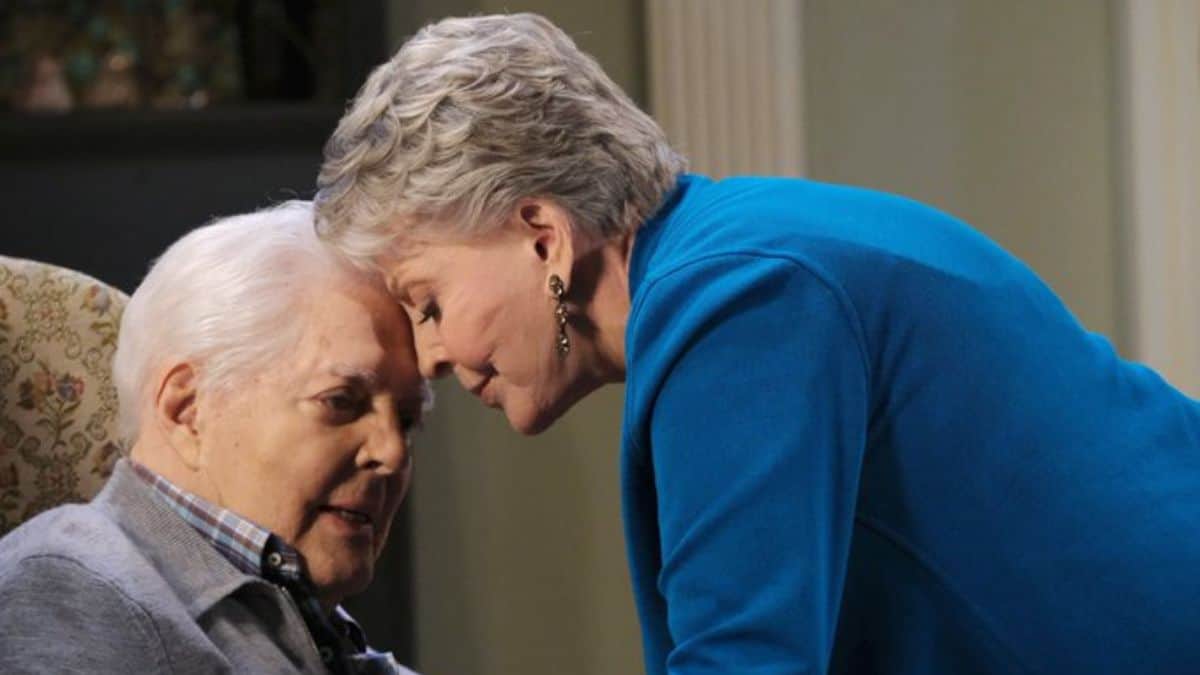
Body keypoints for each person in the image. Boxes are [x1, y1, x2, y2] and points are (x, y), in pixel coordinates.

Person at [314, 13, 1200, 675]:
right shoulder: (737, 253)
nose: (429, 356)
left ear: (544, 236)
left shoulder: (738, 301)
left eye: (428, 303)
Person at [0, 202, 423, 675]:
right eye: (341, 401)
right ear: (187, 409)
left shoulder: (308, 622)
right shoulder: (72, 591)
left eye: (407, 420)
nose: (392, 452)